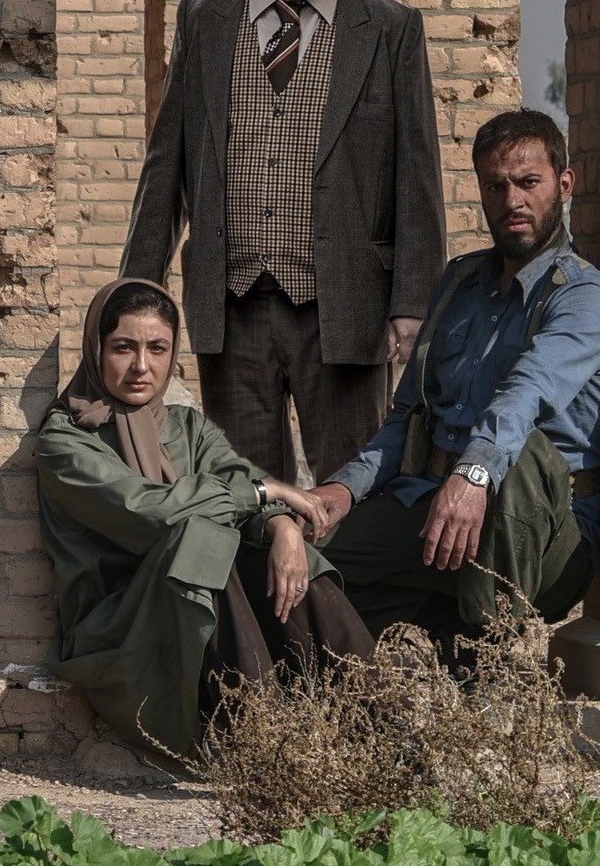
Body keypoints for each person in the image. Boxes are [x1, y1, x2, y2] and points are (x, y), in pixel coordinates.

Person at [121, 0, 445, 484]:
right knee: (247, 498)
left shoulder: (389, 28)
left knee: (352, 492)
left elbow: (418, 175)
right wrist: (136, 291)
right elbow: (166, 167)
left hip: (345, 305)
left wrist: (413, 302)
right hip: (232, 306)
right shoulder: (204, 20)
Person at [300, 109, 600, 649]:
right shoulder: (459, 282)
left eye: (528, 182)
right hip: (436, 503)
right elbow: (407, 415)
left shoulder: (582, 296)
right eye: (496, 186)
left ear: (564, 185)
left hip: (547, 533)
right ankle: (389, 655)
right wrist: (344, 488)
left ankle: (494, 666)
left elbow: (526, 393)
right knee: (301, 557)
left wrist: (473, 474)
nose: (512, 201)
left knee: (523, 456)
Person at [35, 279, 374, 763]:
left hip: (199, 608)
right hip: (121, 630)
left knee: (279, 549)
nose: (141, 366)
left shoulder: (186, 427)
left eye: (157, 349)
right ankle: (265, 741)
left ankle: (375, 717)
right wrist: (263, 494)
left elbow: (238, 478)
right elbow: (152, 512)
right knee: (202, 540)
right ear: (96, 349)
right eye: (123, 347)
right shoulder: (66, 441)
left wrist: (280, 525)